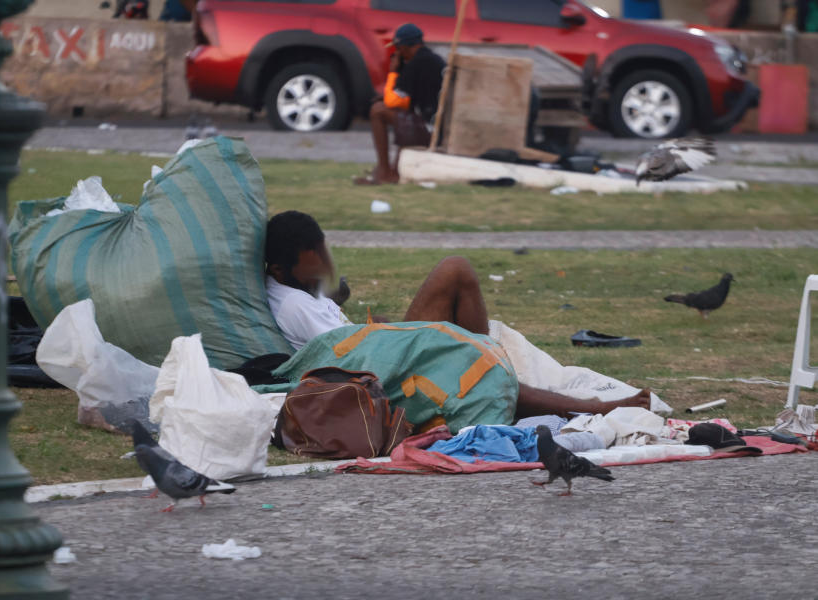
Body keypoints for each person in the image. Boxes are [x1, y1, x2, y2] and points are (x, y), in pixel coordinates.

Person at [265, 210, 652, 420]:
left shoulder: (301, 288)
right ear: (280, 270)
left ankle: (493, 372)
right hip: (382, 381)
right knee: (457, 283)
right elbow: (344, 361)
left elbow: (346, 334)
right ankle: (596, 408)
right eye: (312, 266)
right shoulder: (294, 304)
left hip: (378, 355)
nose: (324, 271)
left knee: (455, 272)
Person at [355, 23, 446, 186]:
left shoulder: (416, 63)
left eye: (398, 47)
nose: (397, 52)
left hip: (429, 128)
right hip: (437, 122)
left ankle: (384, 171)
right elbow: (407, 100)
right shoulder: (433, 59)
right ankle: (392, 170)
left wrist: (393, 71)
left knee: (377, 111)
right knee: (403, 115)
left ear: (406, 46)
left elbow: (392, 101)